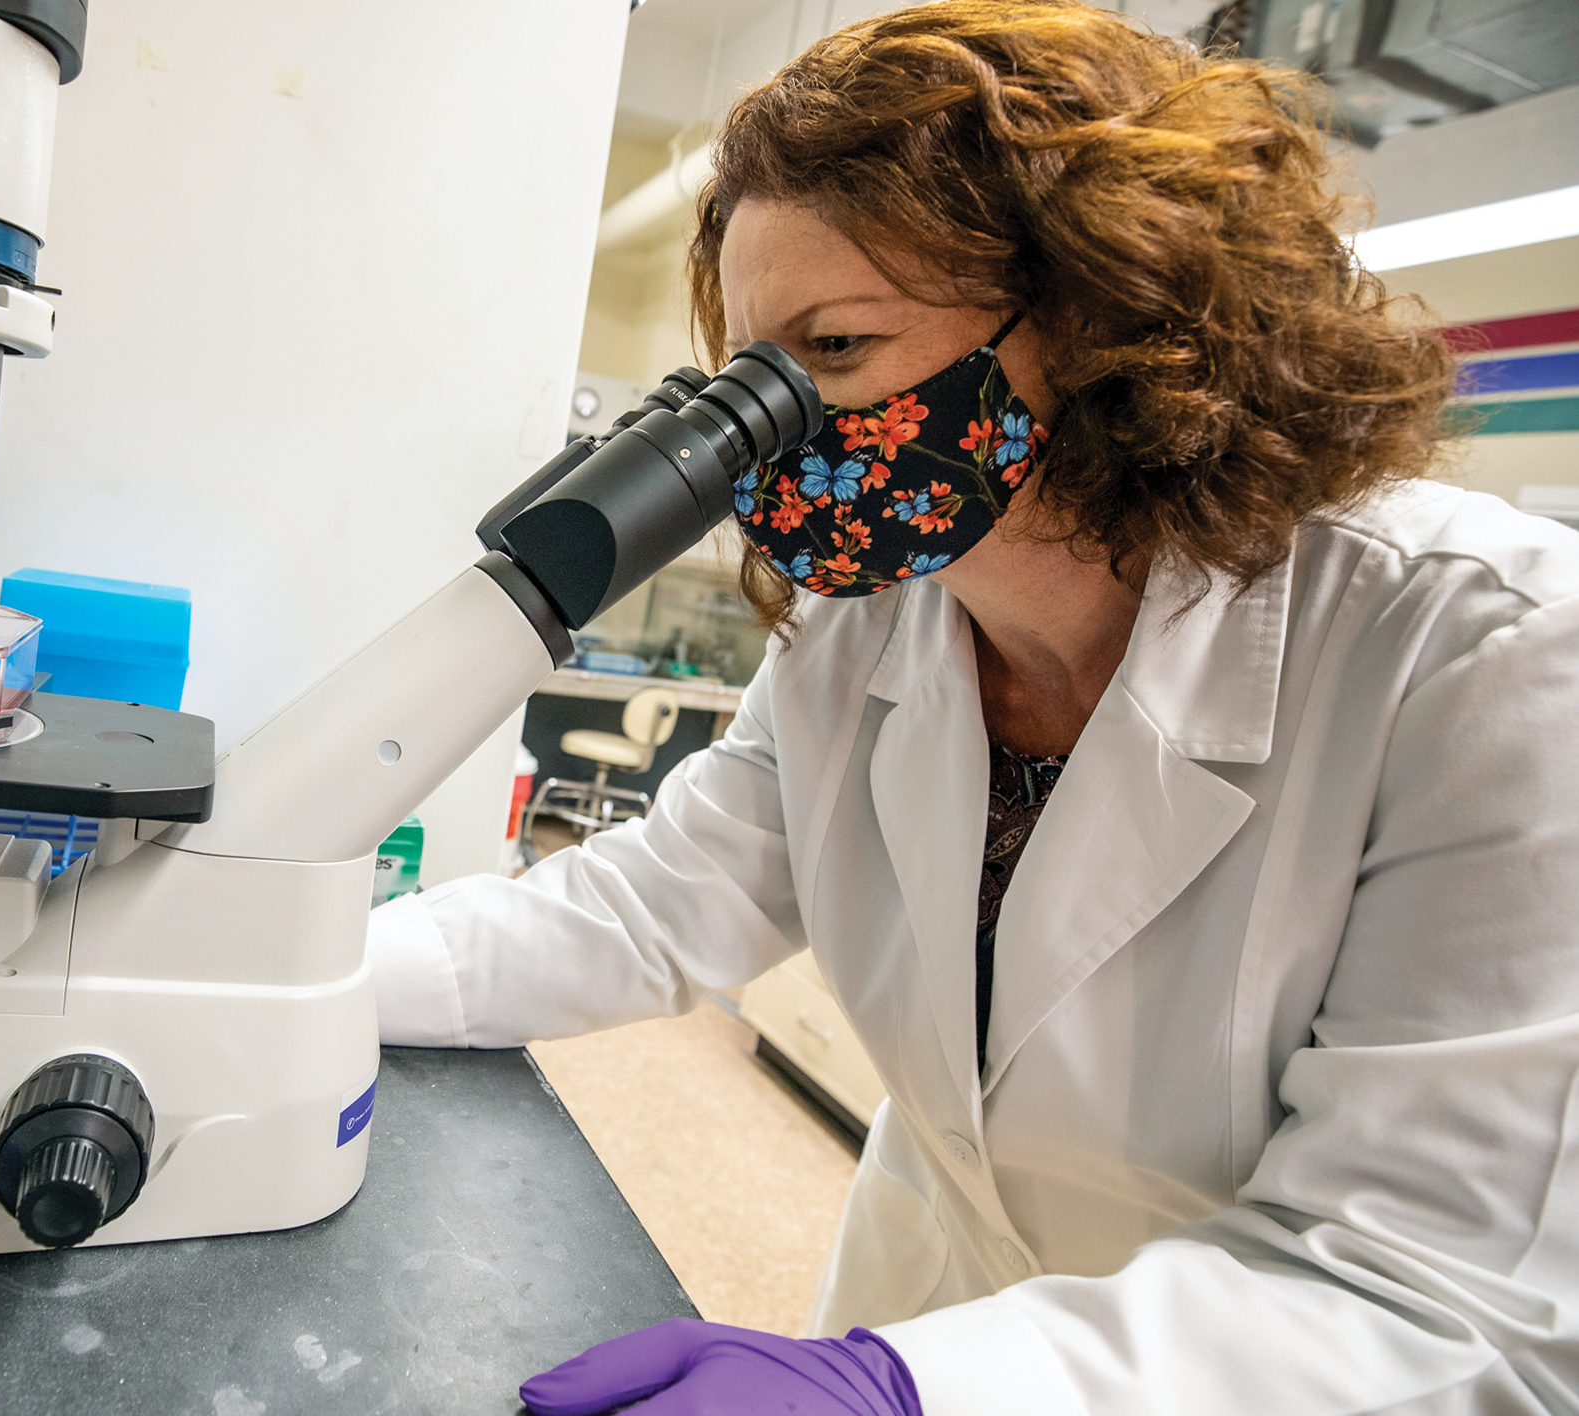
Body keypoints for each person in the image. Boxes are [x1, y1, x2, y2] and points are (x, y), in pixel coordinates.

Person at [368, 2, 1579, 1412]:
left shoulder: (1488, 656)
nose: (783, 442)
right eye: (757, 377)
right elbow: (650, 904)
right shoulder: (876, 623)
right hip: (938, 1311)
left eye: (833, 348)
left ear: (1102, 313)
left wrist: (898, 1394)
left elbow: (1426, 1291)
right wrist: (304, 983)